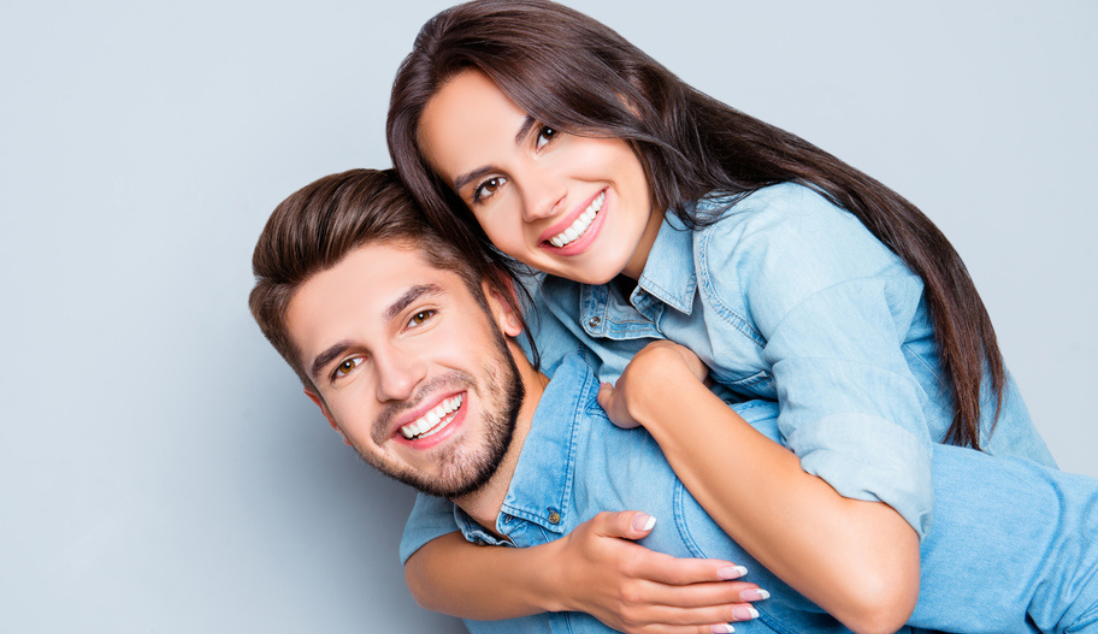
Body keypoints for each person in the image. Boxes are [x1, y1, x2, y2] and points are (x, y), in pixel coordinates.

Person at [384, 1, 1059, 630]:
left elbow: (874, 587)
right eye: (489, 186)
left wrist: (663, 393)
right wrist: (563, 577)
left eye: (549, 133)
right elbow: (431, 559)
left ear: (625, 96)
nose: (538, 201)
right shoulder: (559, 315)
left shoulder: (783, 243)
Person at [248, 168, 1098, 634]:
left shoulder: (710, 467)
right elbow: (429, 566)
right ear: (329, 413)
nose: (397, 383)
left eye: (421, 317)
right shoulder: (484, 567)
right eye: (347, 367)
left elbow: (1076, 556)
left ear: (503, 303)